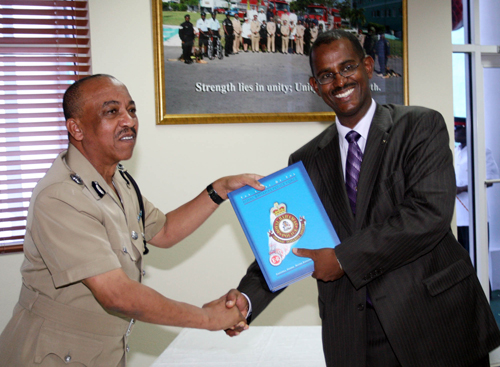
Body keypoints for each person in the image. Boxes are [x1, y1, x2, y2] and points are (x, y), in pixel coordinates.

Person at [224, 30, 500, 367]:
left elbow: (428, 215)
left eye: (347, 67)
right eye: (326, 75)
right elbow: (290, 241)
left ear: (368, 66)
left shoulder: (419, 126)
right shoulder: (306, 160)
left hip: (435, 321)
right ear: (315, 86)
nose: (339, 81)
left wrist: (341, 259)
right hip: (358, 334)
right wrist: (246, 301)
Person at [0, 74, 264, 367]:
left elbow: (163, 230)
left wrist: (220, 189)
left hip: (104, 351)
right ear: (76, 128)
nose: (129, 121)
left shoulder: (117, 179)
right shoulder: (61, 196)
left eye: (132, 110)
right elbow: (117, 295)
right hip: (53, 354)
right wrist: (207, 319)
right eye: (112, 112)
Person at [454, 118, 500, 253]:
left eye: (457, 129)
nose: (454, 132)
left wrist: (461, 188)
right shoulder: (454, 151)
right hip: (456, 214)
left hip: (474, 211)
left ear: (466, 129)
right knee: (460, 255)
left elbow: (491, 179)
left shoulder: (480, 151)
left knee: (477, 255)